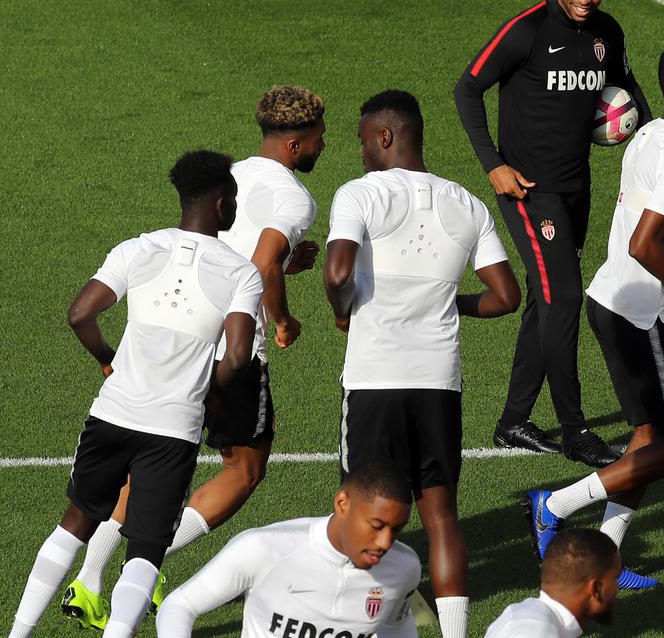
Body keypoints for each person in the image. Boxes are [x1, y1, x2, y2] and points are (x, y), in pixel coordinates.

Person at [62, 85, 326, 627]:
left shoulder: (232, 176)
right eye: (321, 136)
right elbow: (262, 265)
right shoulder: (296, 199)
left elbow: (230, 250)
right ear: (298, 144)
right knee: (244, 469)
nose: (326, 143)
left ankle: (88, 581)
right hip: (233, 347)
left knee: (145, 459)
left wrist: (283, 266)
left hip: (176, 338)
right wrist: (282, 320)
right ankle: (150, 566)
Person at [9, 151, 262, 638]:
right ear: (221, 202)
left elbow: (80, 313)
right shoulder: (240, 273)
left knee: (73, 524)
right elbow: (236, 357)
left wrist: (108, 360)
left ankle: (19, 633)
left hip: (112, 415)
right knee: (145, 552)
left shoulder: (138, 248)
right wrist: (208, 396)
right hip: (174, 430)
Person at [525, 42, 664, 590]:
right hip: (640, 314)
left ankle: (608, 555)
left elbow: (647, 232)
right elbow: (647, 245)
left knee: (648, 437)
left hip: (616, 300)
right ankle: (554, 503)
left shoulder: (647, 136)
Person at [323, 89, 519, 638]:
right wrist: (447, 303)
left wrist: (344, 313)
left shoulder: (360, 194)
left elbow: (338, 274)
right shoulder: (467, 203)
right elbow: (506, 296)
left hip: (374, 379)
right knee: (440, 515)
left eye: (363, 140)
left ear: (385, 136)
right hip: (438, 383)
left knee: (359, 512)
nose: (360, 152)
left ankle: (351, 625)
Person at [454, 0, 653, 467]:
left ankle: (514, 420)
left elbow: (627, 88)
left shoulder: (608, 34)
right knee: (565, 299)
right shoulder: (527, 30)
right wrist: (492, 163)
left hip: (575, 188)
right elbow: (468, 89)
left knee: (547, 301)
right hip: (526, 190)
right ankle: (575, 430)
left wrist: (655, 144)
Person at [156, 459, 421, 636]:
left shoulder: (404, 568)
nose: (385, 542)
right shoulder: (265, 548)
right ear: (342, 504)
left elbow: (398, 626)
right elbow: (180, 606)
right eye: (376, 525)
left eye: (396, 530)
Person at [485, 528, 621, 637]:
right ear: (596, 588)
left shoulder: (531, 616)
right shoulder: (537, 631)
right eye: (615, 578)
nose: (618, 588)